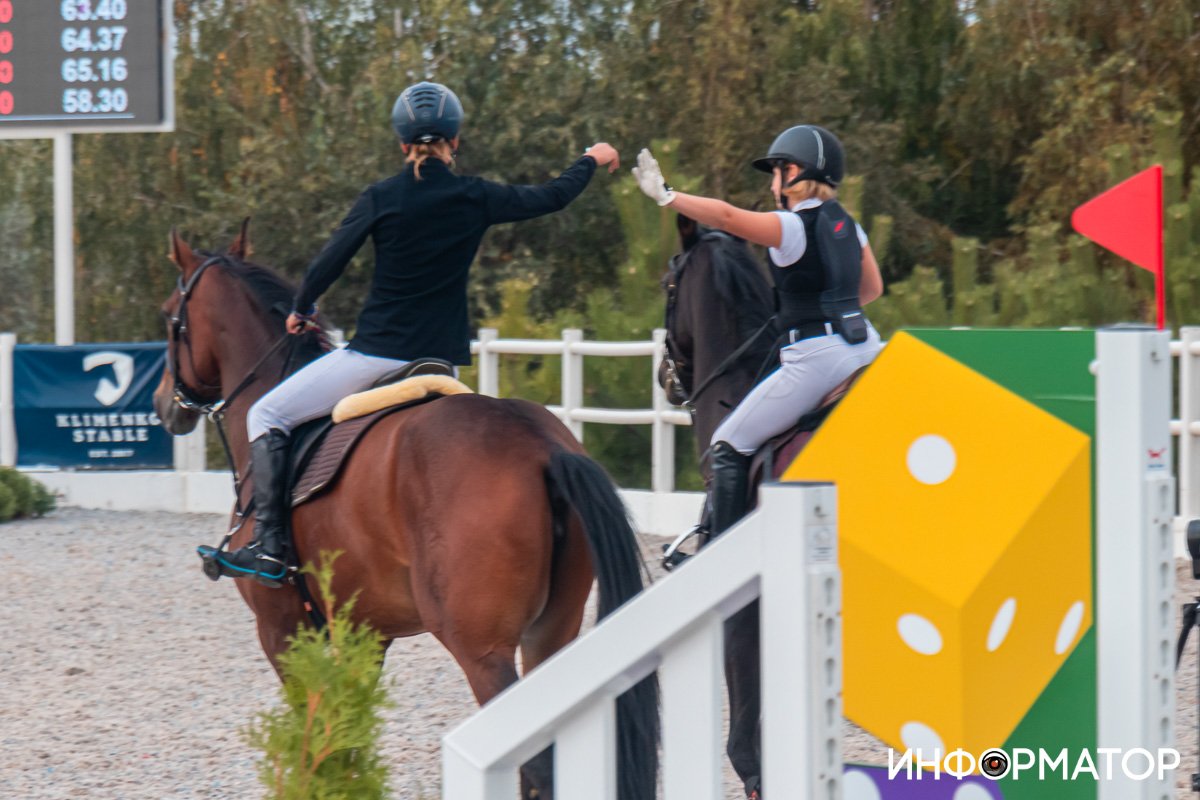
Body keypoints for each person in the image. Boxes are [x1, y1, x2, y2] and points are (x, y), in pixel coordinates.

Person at [209, 81, 621, 586]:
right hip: (439, 365)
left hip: (376, 358)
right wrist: (590, 158)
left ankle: (270, 547)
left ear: (403, 144)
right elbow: (552, 196)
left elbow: (328, 262)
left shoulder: (382, 197)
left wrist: (301, 308)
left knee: (266, 413)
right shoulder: (476, 196)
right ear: (456, 141)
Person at [633, 125, 883, 536]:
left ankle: (722, 558)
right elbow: (871, 289)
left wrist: (668, 196)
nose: (772, 185)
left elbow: (728, 217)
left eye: (776, 173)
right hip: (866, 350)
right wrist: (824, 302)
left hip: (816, 362)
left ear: (796, 173)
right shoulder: (850, 227)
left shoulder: (792, 227)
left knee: (728, 444)